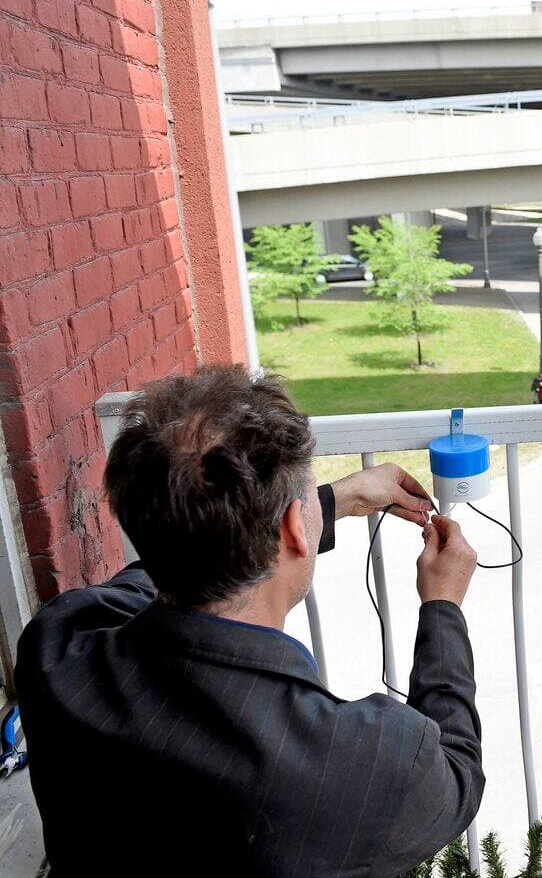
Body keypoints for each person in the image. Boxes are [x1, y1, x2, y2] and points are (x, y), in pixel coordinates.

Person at [15, 365, 484, 877]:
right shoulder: (356, 763)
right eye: (303, 504)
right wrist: (443, 606)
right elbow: (455, 773)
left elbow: (158, 566)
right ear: (292, 528)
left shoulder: (59, 646)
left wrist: (330, 500)